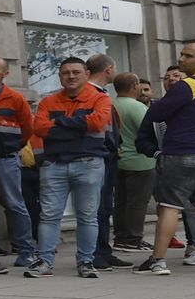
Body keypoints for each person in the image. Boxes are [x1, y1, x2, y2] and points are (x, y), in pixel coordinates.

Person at [135, 40, 195, 275]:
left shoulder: (188, 85)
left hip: (181, 152)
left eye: (188, 56)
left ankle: (158, 261)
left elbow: (157, 112)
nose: (181, 59)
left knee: (169, 207)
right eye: (182, 54)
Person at [27, 57, 114, 279]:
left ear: (86, 73)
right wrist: (79, 124)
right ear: (60, 76)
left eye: (76, 72)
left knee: (87, 216)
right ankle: (45, 262)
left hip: (89, 164)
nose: (71, 76)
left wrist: (58, 123)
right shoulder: (48, 101)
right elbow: (38, 128)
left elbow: (97, 123)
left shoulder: (100, 99)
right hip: (54, 165)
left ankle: (86, 262)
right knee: (49, 216)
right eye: (66, 73)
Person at [0, 57, 37, 272]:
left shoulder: (14, 98)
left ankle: (26, 250)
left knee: (14, 203)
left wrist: (11, 147)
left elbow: (28, 128)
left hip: (6, 158)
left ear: (5, 73)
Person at [82, 53, 130, 271]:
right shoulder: (91, 94)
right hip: (100, 155)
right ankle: (95, 252)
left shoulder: (100, 93)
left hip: (108, 154)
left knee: (104, 205)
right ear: (108, 69)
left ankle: (103, 249)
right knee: (98, 206)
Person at [111, 72, 156, 250]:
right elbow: (149, 132)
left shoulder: (110, 104)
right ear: (134, 85)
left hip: (119, 160)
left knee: (121, 201)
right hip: (141, 162)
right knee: (137, 203)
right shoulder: (137, 107)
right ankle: (133, 238)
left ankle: (121, 236)